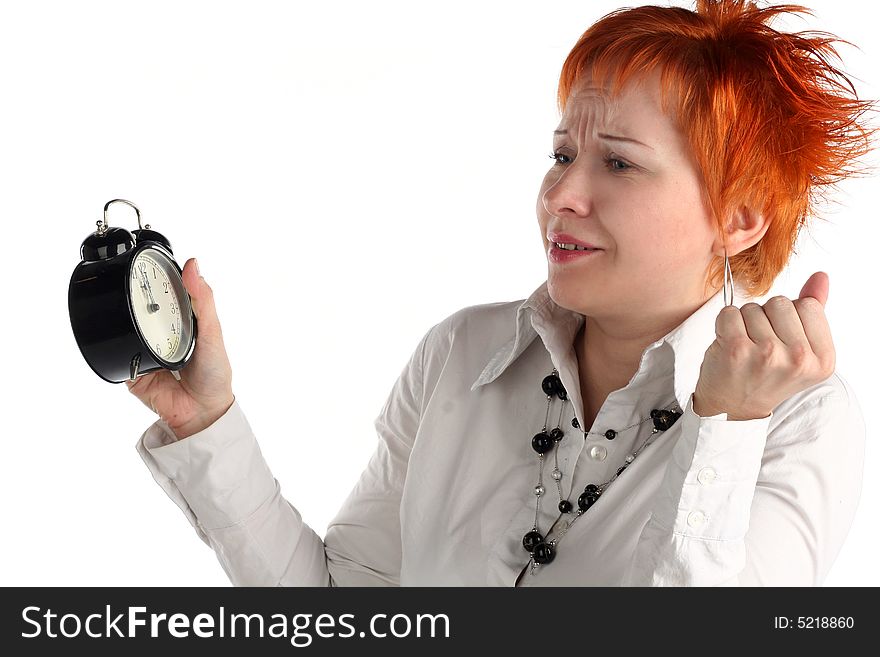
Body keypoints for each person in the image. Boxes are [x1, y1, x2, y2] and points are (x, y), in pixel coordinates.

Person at [128, 0, 874, 586]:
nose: (562, 195)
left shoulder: (798, 420)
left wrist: (725, 422)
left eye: (618, 164)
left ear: (738, 217)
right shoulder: (461, 352)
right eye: (562, 154)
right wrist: (207, 423)